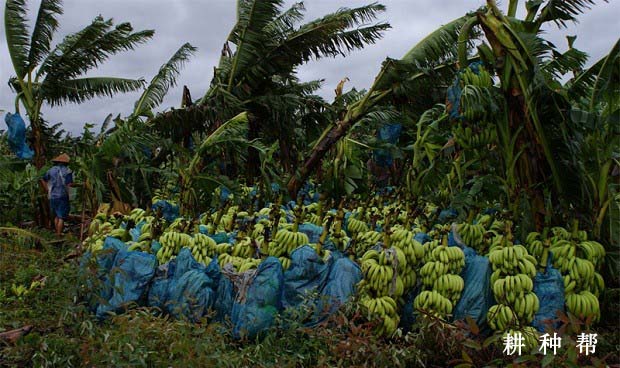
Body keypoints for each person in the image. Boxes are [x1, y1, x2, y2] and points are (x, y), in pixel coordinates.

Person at [41, 153, 74, 235]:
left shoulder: (51, 170)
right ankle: (59, 234)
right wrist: (79, 185)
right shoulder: (67, 171)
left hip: (52, 196)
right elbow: (69, 184)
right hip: (62, 196)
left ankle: (57, 233)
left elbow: (42, 179)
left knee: (56, 215)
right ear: (66, 163)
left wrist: (47, 189)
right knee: (61, 217)